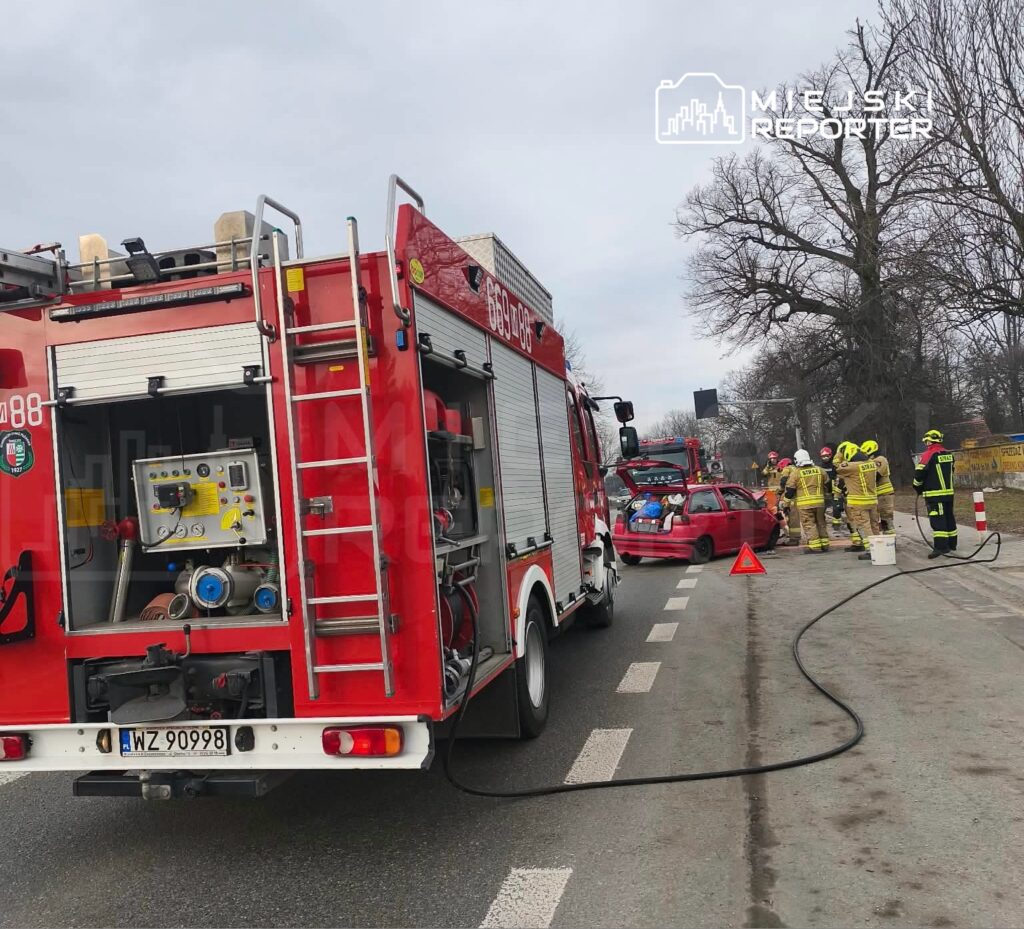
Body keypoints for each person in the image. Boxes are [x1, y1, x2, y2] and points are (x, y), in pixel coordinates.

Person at [913, 429, 956, 558]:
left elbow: (919, 473)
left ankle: (941, 547)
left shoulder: (928, 455)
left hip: (935, 495)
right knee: (949, 518)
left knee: (938, 520)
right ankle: (952, 544)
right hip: (949, 494)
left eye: (926, 441)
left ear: (929, 441)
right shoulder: (948, 454)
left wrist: (917, 487)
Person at [835, 440, 880, 554]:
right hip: (872, 500)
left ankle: (871, 551)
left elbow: (837, 467)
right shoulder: (871, 463)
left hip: (859, 503)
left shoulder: (852, 466)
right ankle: (879, 549)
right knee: (874, 525)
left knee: (863, 526)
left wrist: (839, 455)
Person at [784, 449, 830, 553]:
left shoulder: (796, 473)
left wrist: (786, 505)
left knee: (810, 524)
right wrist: (827, 498)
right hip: (820, 503)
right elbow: (828, 485)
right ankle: (825, 545)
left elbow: (790, 491)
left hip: (805, 505)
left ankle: (815, 547)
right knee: (821, 523)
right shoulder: (820, 470)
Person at [860, 440, 896, 535]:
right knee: (874, 520)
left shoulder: (880, 460)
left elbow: (875, 475)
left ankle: (890, 541)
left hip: (884, 494)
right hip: (875, 495)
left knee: (886, 519)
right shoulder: (870, 461)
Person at [819, 445, 842, 530]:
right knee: (821, 508)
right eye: (823, 456)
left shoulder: (834, 465)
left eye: (827, 456)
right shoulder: (819, 467)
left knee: (836, 507)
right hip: (824, 490)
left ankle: (836, 524)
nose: (825, 458)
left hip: (835, 490)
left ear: (830, 455)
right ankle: (822, 523)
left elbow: (839, 475)